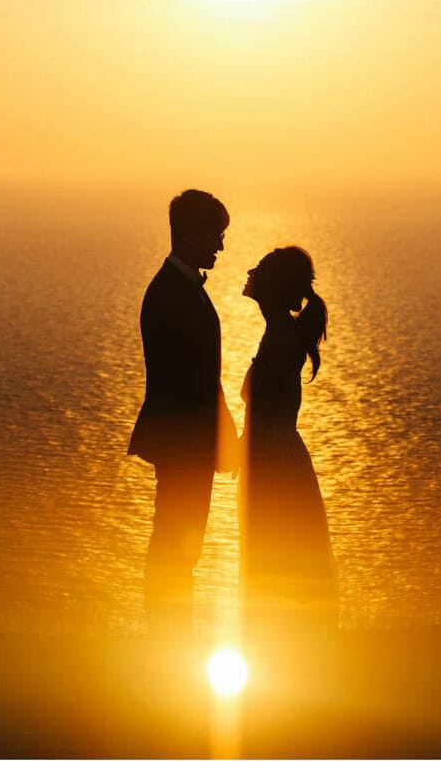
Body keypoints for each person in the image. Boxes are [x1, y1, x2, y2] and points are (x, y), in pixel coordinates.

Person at [127, 189, 239, 638]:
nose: (221, 246)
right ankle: (168, 635)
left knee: (180, 541)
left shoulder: (177, 288)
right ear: (190, 232)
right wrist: (216, 436)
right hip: (184, 441)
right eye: (216, 235)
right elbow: (187, 379)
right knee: (176, 539)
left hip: (189, 438)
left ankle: (173, 632)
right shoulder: (171, 293)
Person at [237, 246, 337, 643]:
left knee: (274, 554)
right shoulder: (278, 332)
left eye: (259, 270)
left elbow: (266, 408)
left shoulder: (280, 337)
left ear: (275, 286)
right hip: (271, 458)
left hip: (273, 466)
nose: (251, 273)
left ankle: (279, 645)